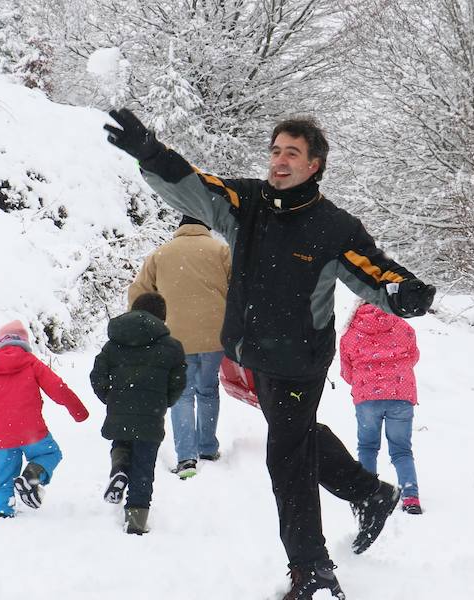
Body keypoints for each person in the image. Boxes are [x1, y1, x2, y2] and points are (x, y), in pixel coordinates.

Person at [103, 108, 436, 599]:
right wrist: (149, 152)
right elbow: (194, 186)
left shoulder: (333, 227)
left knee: (287, 456)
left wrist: (404, 291)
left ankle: (311, 568)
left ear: (314, 165)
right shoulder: (248, 202)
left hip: (301, 360)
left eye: (292, 154)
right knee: (294, 435)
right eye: (276, 150)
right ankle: (370, 493)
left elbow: (374, 270)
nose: (279, 161)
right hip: (255, 354)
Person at [128, 214, 231, 479]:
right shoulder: (221, 250)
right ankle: (207, 448)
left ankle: (186, 458)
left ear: (180, 228)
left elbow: (139, 291)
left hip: (175, 338)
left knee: (182, 395)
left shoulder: (161, 254)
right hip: (214, 335)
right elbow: (239, 288)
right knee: (208, 389)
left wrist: (138, 325)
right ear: (206, 227)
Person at [0, 320, 89, 518]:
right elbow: (58, 388)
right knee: (50, 454)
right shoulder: (31, 363)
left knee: (2, 478)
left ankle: (1, 512)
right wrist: (78, 410)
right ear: (24, 343)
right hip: (32, 432)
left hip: (0, 437)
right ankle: (32, 474)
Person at [90, 292, 187, 534]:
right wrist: (163, 403)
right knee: (144, 467)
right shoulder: (172, 347)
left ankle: (120, 468)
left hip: (120, 409)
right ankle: (136, 520)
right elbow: (178, 382)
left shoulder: (114, 344)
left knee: (121, 443)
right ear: (162, 317)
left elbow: (97, 376)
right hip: (151, 414)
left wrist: (111, 398)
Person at [340, 302, 423, 514]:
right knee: (402, 449)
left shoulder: (350, 334)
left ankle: (367, 496)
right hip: (401, 395)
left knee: (367, 447)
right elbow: (413, 357)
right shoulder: (402, 327)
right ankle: (411, 497)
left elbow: (346, 372)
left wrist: (364, 383)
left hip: (367, 397)